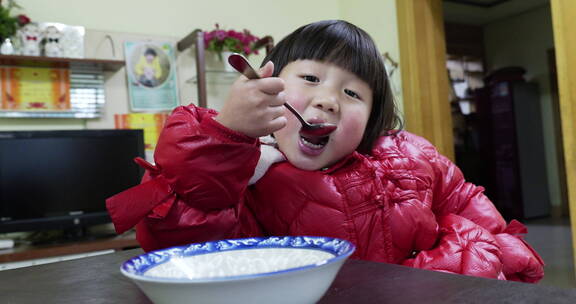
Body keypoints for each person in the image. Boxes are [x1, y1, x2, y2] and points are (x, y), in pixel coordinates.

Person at [107, 20, 544, 282]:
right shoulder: (246, 173)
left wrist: (502, 250)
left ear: (374, 116)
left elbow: (465, 199)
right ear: (269, 87)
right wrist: (225, 138)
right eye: (311, 80)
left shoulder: (410, 154)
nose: (328, 100)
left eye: (353, 93)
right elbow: (182, 231)